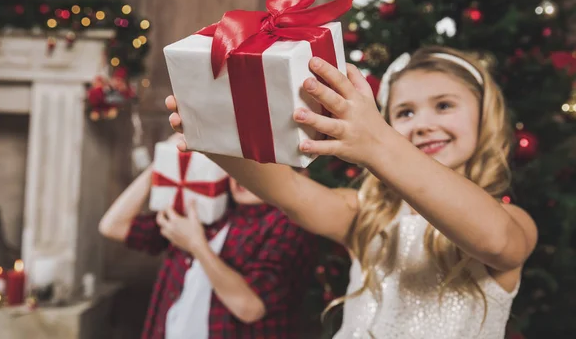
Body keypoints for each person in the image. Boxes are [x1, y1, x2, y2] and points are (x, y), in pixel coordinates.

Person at [165, 46, 538, 338]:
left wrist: (378, 144)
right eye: (405, 113)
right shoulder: (365, 212)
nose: (423, 125)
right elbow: (291, 192)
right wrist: (212, 132)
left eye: (443, 106)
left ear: (484, 115)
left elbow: (494, 241)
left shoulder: (512, 221)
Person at [98, 146, 316, 339]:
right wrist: (163, 161)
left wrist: (196, 244)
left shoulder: (287, 225)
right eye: (240, 164)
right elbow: (113, 226)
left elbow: (250, 307)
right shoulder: (210, 207)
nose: (244, 176)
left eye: (260, 167)